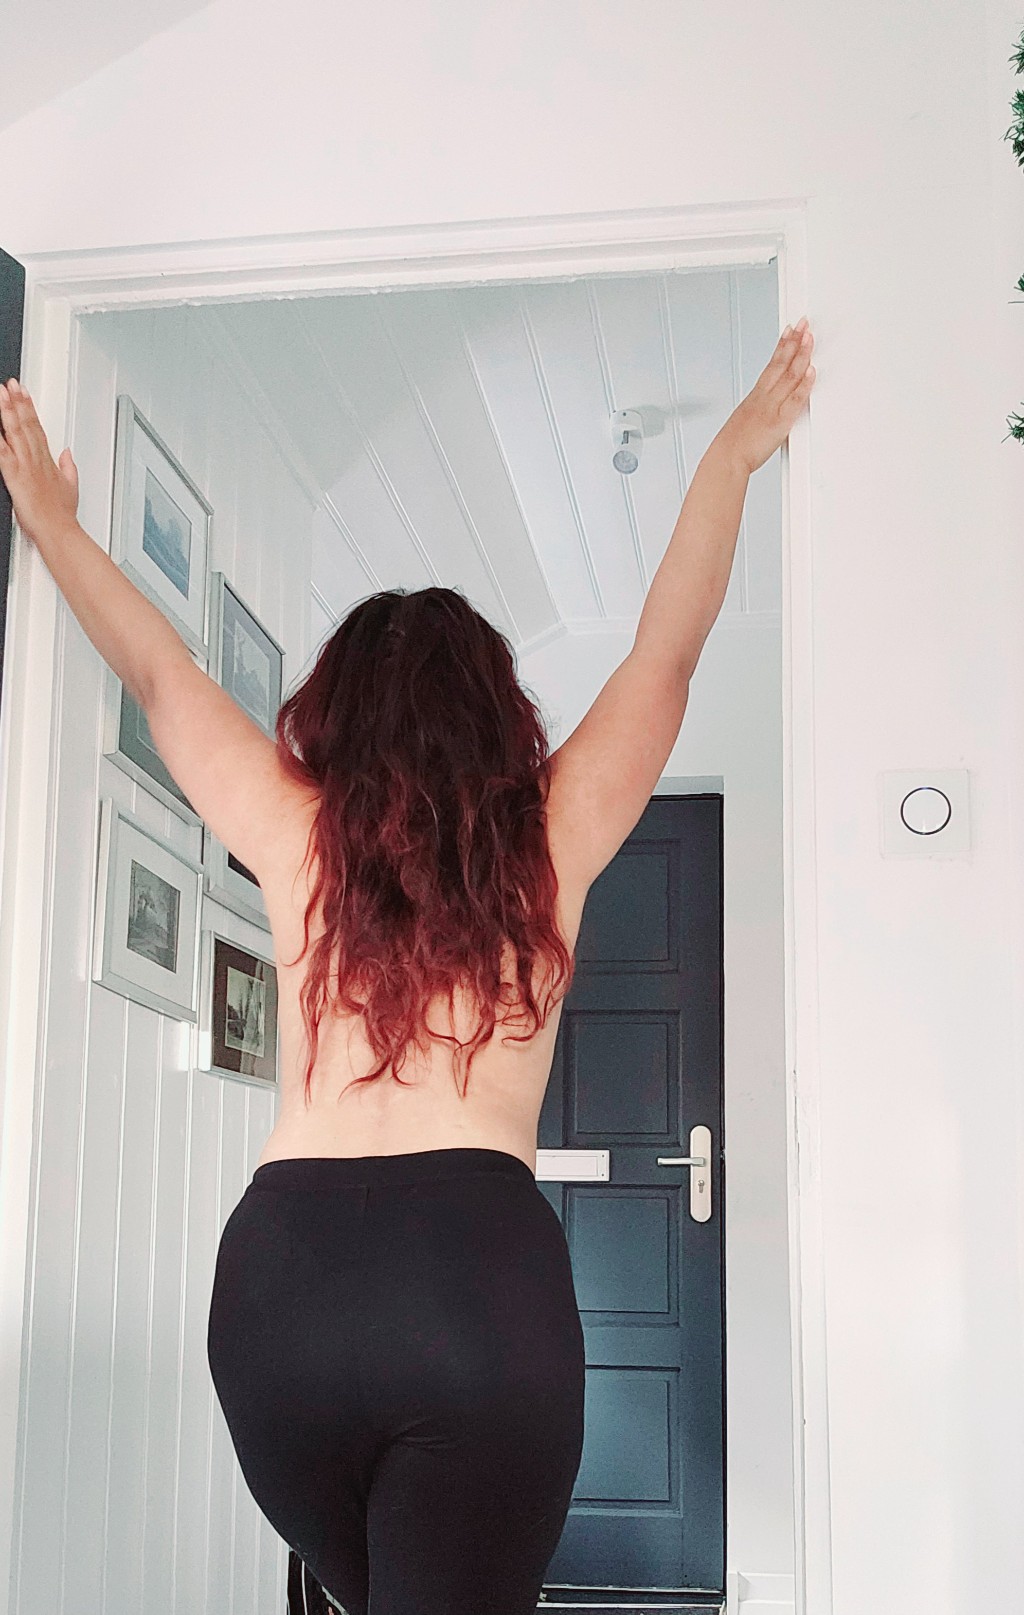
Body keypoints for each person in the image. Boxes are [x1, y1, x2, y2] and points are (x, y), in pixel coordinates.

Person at [0, 316, 815, 1615]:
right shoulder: (546, 837)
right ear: (497, 711)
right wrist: (728, 458)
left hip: (281, 1290)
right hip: (470, 1286)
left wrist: (52, 527)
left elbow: (157, 673)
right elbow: (664, 652)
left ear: (335, 712)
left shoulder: (297, 832)